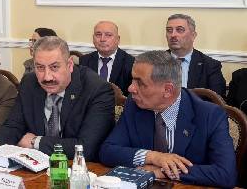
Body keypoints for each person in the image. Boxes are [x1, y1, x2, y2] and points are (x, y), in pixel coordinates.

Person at [99, 50, 236, 188]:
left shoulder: (210, 115)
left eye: (140, 83)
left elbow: (225, 174)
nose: (130, 88)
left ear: (168, 90)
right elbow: (107, 151)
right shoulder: (134, 104)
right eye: (132, 80)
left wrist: (163, 171)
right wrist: (154, 157)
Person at [0, 36, 114, 162]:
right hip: (34, 167)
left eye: (54, 67)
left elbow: (86, 148)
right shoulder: (29, 83)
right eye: (40, 68)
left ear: (69, 65)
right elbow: (14, 125)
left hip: (78, 170)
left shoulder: (97, 90)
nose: (47, 77)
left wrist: (35, 142)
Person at [165, 14, 226, 97]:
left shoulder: (210, 66)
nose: (173, 35)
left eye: (179, 30)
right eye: (169, 30)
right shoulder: (154, 62)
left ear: (193, 35)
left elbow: (216, 100)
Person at [79, 20, 134, 93]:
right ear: (93, 38)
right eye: (98, 35)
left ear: (118, 39)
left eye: (108, 35)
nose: (102, 39)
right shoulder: (84, 60)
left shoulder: (131, 63)